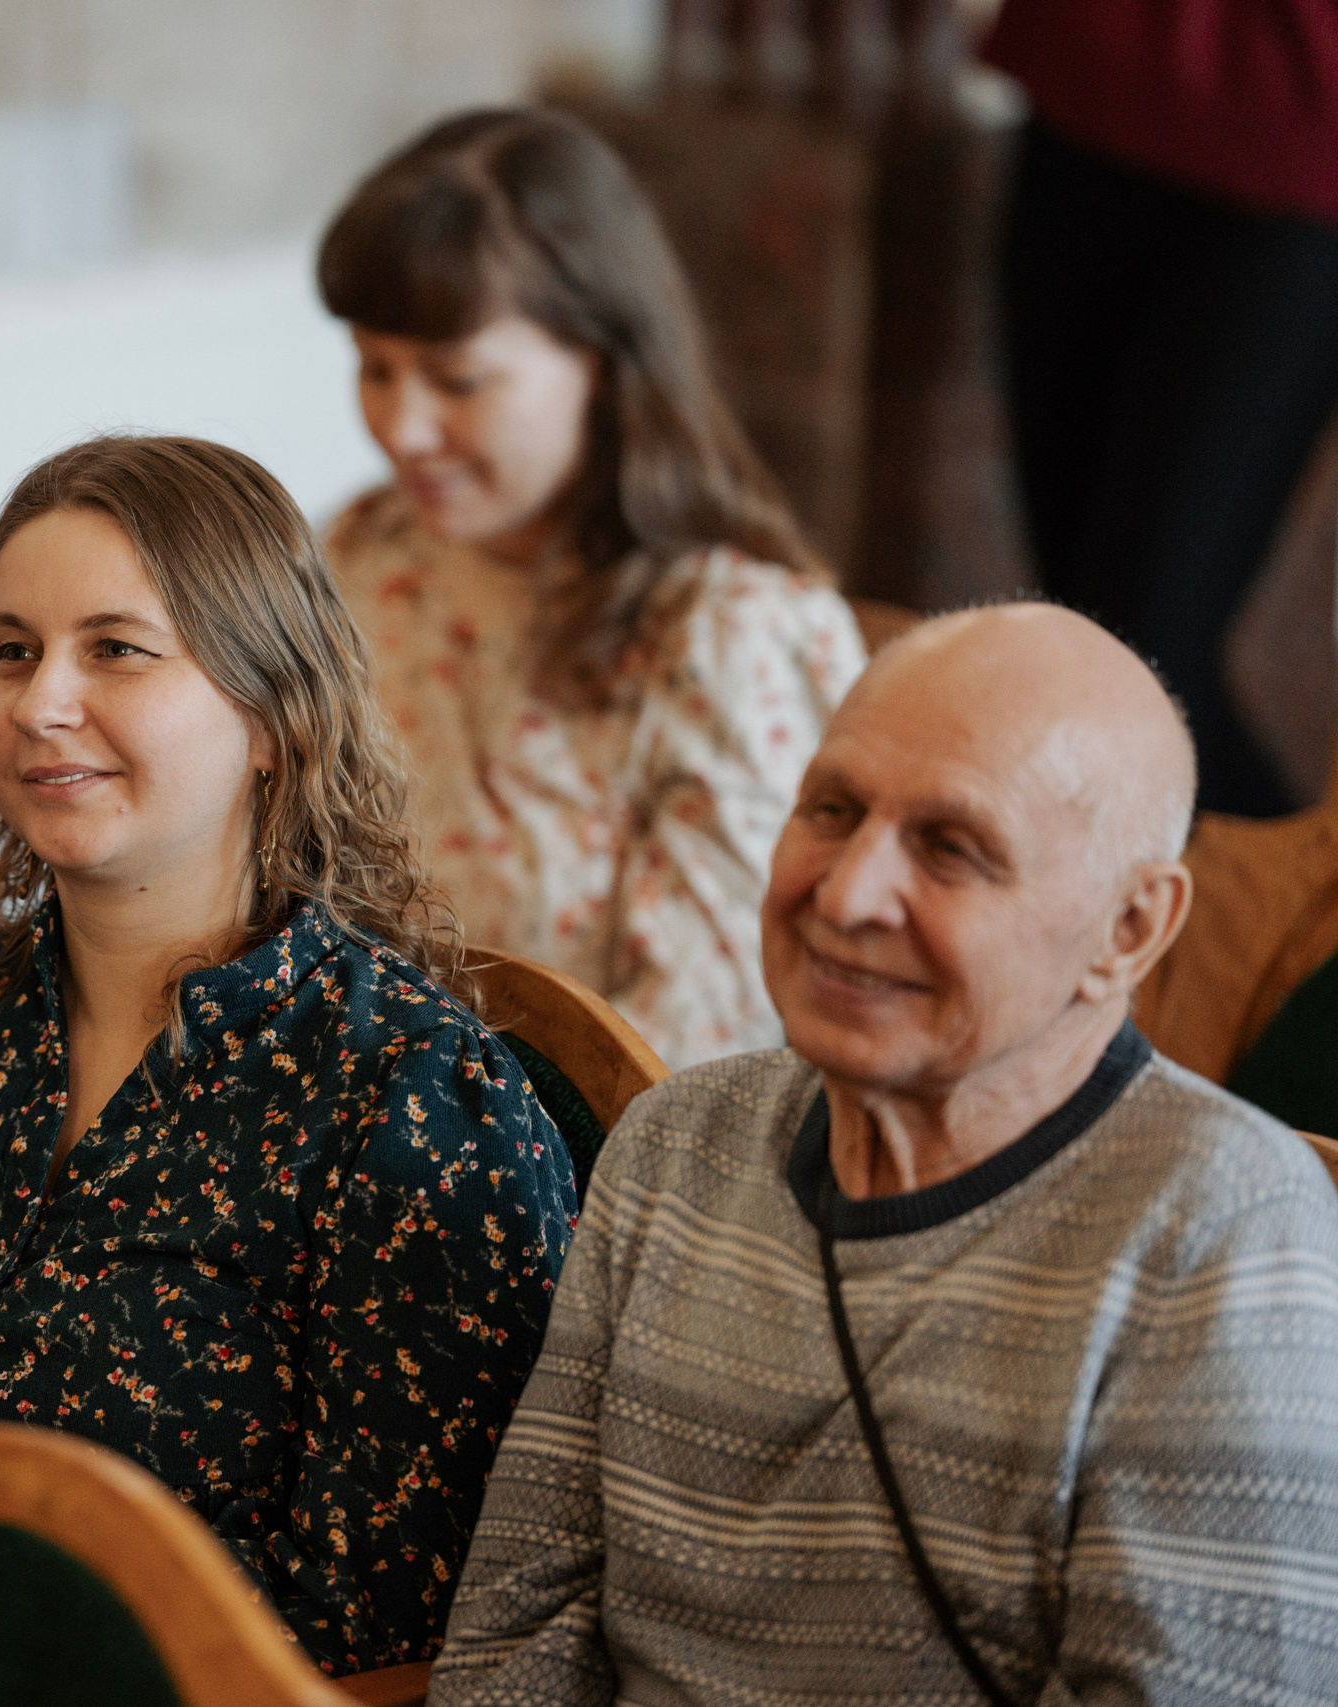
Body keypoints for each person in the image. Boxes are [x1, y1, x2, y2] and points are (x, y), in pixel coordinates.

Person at [0, 436, 578, 1676]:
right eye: (12, 650)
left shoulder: (410, 1100)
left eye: (117, 650)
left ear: (270, 718)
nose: (39, 703)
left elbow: (383, 1627)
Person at [432, 604, 1338, 1705]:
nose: (848, 894)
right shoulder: (678, 1144)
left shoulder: (1224, 1225)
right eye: (831, 809)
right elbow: (511, 1636)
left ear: (1129, 929)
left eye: (950, 849)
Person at [316, 108, 865, 1071]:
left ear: (602, 366)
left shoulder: (729, 636)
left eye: (457, 380)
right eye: (375, 368)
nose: (401, 429)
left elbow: (692, 1050)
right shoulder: (360, 556)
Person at [986, 0, 1338, 818]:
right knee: (1089, 637)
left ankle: (1300, 931)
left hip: (1297, 146)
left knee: (1140, 657)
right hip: (1089, 87)